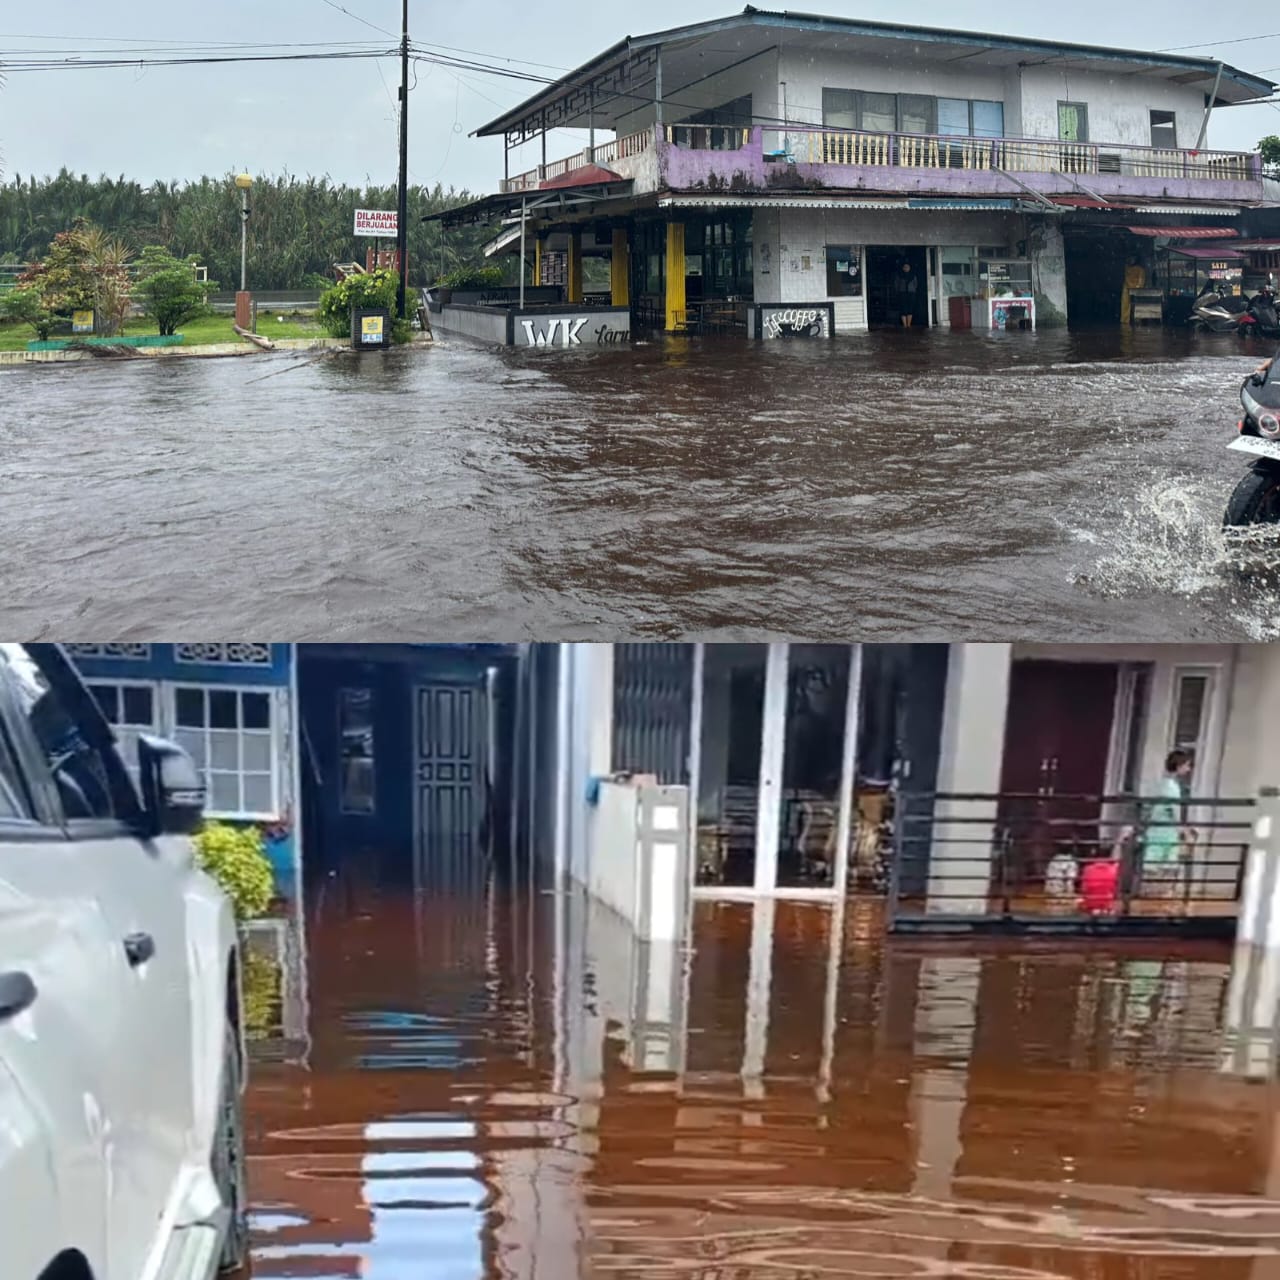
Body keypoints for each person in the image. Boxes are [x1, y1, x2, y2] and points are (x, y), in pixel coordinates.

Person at [1141, 750, 1196, 902]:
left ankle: (1151, 895)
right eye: (1187, 765)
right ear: (1179, 766)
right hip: (1165, 830)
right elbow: (1175, 812)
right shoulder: (1172, 788)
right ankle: (1160, 896)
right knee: (1165, 864)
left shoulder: (1160, 784)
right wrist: (1185, 832)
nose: (1188, 769)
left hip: (1155, 829)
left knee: (1152, 864)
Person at [891, 261, 919, 328]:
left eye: (907, 267)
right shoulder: (899, 275)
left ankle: (909, 325)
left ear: (910, 268)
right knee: (903, 309)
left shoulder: (913, 275)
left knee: (910, 309)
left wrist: (912, 290)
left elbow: (916, 284)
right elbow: (896, 284)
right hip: (902, 293)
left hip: (911, 293)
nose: (906, 268)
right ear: (902, 268)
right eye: (905, 267)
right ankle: (904, 325)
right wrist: (898, 291)